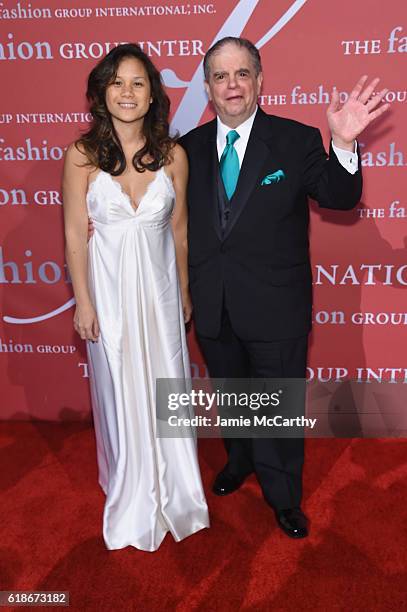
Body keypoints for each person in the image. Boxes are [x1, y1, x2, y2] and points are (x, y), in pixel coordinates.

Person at [179, 37, 389, 538]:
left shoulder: (295, 140)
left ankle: (283, 495)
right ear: (207, 87)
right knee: (231, 396)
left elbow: (339, 196)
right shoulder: (185, 150)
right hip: (213, 303)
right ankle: (240, 460)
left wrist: (341, 144)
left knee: (276, 407)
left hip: (276, 306)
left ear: (259, 80)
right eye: (221, 76)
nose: (232, 84)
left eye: (242, 73)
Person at [62, 43, 209, 552]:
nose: (127, 91)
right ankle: (129, 487)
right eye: (117, 82)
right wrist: (83, 302)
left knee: (165, 387)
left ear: (152, 97)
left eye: (138, 82)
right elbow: (75, 236)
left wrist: (185, 293)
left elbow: (182, 233)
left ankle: (177, 489)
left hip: (161, 295)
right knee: (119, 389)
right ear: (103, 94)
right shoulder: (81, 156)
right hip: (109, 296)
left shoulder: (174, 156)